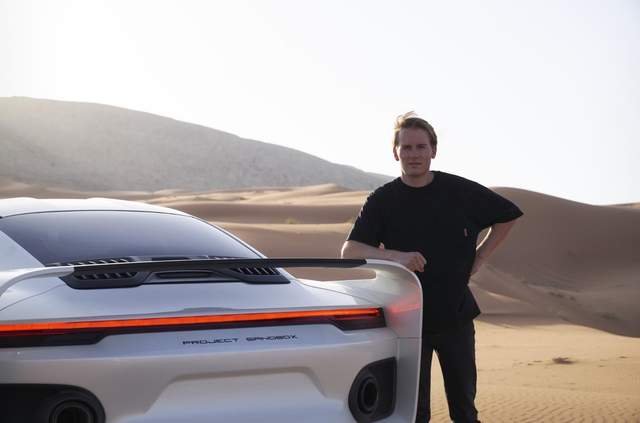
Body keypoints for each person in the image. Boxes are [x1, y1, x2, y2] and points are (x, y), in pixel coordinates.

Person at [341, 112, 523, 422]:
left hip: (456, 317)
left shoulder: (459, 191)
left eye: (421, 147)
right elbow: (350, 252)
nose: (414, 154)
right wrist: (395, 256)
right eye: (407, 147)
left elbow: (509, 215)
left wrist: (480, 257)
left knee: (464, 411)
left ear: (433, 151)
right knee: (415, 413)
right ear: (395, 152)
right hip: (407, 321)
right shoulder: (382, 200)